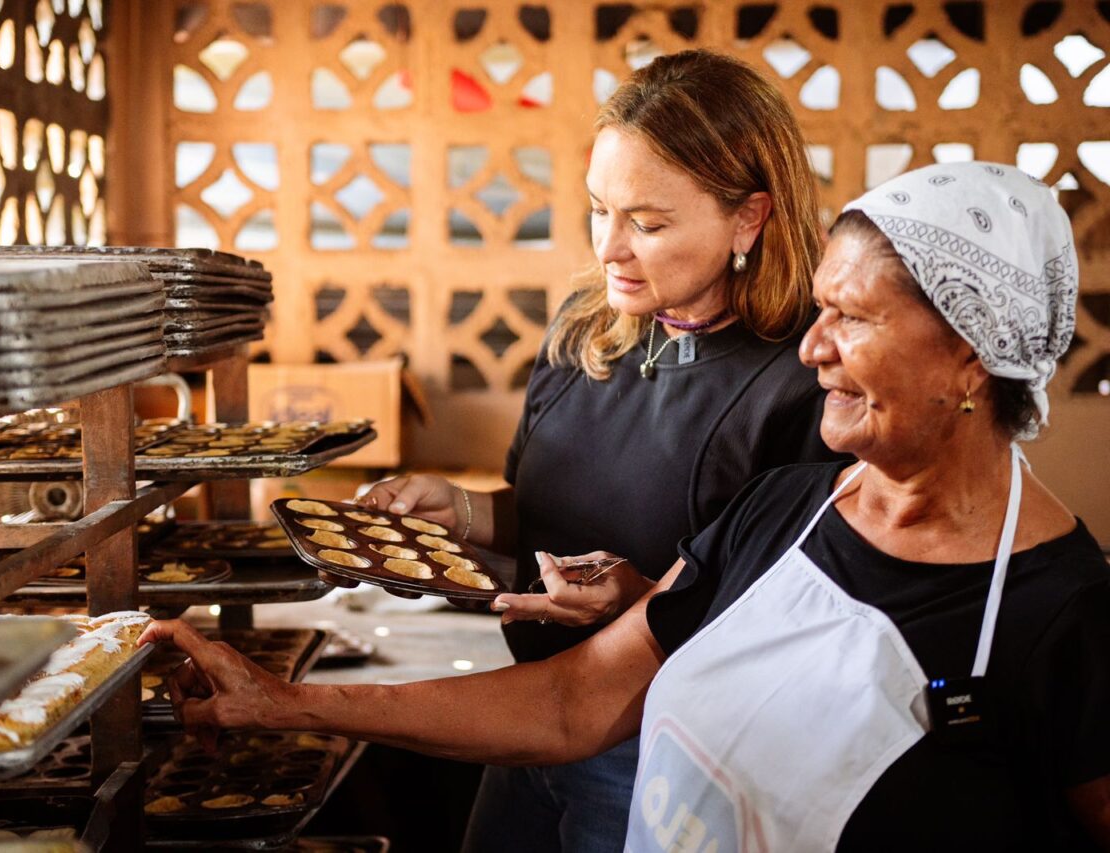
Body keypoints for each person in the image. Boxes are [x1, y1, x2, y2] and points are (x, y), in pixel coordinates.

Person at [142, 161, 1110, 851]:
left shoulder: (1065, 615)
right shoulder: (783, 511)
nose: (811, 347)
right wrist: (284, 701)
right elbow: (572, 704)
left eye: (850, 317)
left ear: (969, 354)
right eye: (818, 308)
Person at [350, 49, 839, 851]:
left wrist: (642, 600)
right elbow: (542, 513)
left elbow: (799, 620)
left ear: (749, 218)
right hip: (527, 727)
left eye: (646, 224)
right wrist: (468, 511)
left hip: (668, 750)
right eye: (597, 209)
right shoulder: (587, 331)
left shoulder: (803, 384)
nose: (610, 247)